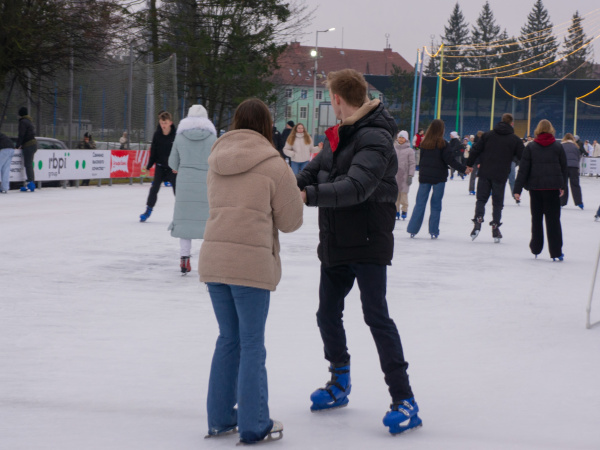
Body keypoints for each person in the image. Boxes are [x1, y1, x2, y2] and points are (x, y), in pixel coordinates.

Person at [295, 68, 422, 435]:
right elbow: (311, 172)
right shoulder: (338, 136)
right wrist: (287, 186)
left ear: (337, 99)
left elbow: (357, 186)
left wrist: (313, 193)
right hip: (335, 239)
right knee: (326, 314)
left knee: (376, 317)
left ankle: (405, 399)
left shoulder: (376, 138)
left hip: (367, 240)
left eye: (328, 98)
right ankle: (340, 380)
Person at [199, 98, 303, 444]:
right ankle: (254, 423)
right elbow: (291, 222)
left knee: (228, 339)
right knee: (252, 344)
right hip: (250, 264)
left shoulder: (216, 160)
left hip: (214, 259)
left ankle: (219, 418)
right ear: (266, 125)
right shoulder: (274, 165)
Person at [167, 105, 217, 274]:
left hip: (185, 183)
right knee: (207, 222)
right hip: (206, 182)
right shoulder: (212, 138)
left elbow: (172, 163)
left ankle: (184, 259)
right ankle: (207, 261)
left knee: (185, 221)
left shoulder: (180, 138)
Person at [513, 120, 567, 261]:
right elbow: (563, 169)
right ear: (551, 129)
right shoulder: (557, 146)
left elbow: (523, 170)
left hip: (536, 188)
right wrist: (562, 186)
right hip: (552, 188)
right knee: (553, 220)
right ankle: (556, 251)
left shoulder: (531, 147)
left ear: (537, 130)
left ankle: (536, 248)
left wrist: (517, 189)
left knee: (536, 219)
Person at [466, 113, 524, 242]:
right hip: (501, 174)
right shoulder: (514, 139)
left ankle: (478, 219)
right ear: (512, 123)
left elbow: (475, 150)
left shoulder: (487, 135)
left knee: (481, 199)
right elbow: (523, 157)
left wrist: (469, 164)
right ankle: (495, 226)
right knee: (497, 203)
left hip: (485, 172)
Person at [407, 119, 469, 239]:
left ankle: (412, 229)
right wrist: (463, 168)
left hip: (425, 177)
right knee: (436, 205)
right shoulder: (443, 144)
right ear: (441, 130)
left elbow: (422, 160)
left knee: (420, 203)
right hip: (439, 178)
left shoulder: (424, 143)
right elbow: (450, 160)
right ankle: (433, 231)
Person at [139, 111, 177, 222]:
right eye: (161, 123)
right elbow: (153, 152)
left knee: (177, 191)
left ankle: (181, 213)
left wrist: (178, 166)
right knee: (154, 188)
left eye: (165, 123)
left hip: (172, 168)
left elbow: (180, 152)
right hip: (160, 167)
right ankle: (148, 211)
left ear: (170, 122)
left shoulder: (176, 136)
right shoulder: (157, 135)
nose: (163, 125)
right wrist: (148, 166)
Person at [394, 130, 416, 220]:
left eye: (403, 138)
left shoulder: (409, 150)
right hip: (394, 176)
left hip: (404, 176)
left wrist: (410, 175)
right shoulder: (393, 148)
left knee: (403, 196)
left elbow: (412, 163)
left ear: (406, 139)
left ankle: (404, 210)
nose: (401, 139)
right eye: (399, 137)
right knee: (395, 197)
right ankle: (396, 211)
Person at [560, 133, 584, 209]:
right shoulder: (575, 146)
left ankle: (562, 202)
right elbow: (578, 156)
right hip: (574, 167)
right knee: (575, 184)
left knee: (563, 185)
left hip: (564, 167)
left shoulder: (561, 146)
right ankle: (579, 202)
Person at [16, 107, 37, 192]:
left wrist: (17, 145)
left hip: (28, 145)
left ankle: (31, 183)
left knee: (28, 164)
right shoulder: (29, 121)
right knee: (29, 164)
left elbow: (21, 134)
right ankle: (30, 182)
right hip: (33, 144)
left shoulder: (23, 122)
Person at [468, 131, 483, 195]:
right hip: (480, 162)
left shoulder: (474, 144)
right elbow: (481, 154)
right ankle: (481, 189)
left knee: (473, 176)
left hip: (474, 162)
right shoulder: (482, 144)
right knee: (483, 177)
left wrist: (469, 164)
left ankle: (471, 189)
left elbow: (472, 154)